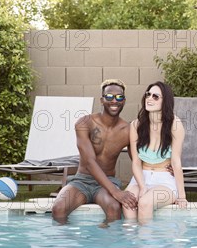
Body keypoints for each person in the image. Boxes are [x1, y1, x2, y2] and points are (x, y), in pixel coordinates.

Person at [52, 79, 138, 224]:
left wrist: (163, 168)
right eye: (109, 96)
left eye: (119, 97)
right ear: (102, 100)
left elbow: (137, 160)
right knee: (58, 208)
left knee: (114, 208)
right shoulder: (85, 123)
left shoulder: (128, 130)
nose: (114, 101)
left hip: (107, 182)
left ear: (124, 101)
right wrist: (116, 192)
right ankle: (69, 244)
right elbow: (90, 162)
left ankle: (105, 243)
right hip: (82, 181)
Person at [122, 81, 187, 223]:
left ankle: (146, 242)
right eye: (148, 94)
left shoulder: (175, 125)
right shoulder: (136, 125)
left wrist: (182, 195)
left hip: (164, 179)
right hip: (141, 177)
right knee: (128, 203)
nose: (149, 98)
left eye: (155, 96)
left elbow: (176, 161)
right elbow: (136, 162)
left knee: (145, 203)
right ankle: (131, 242)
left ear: (165, 102)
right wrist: (142, 186)